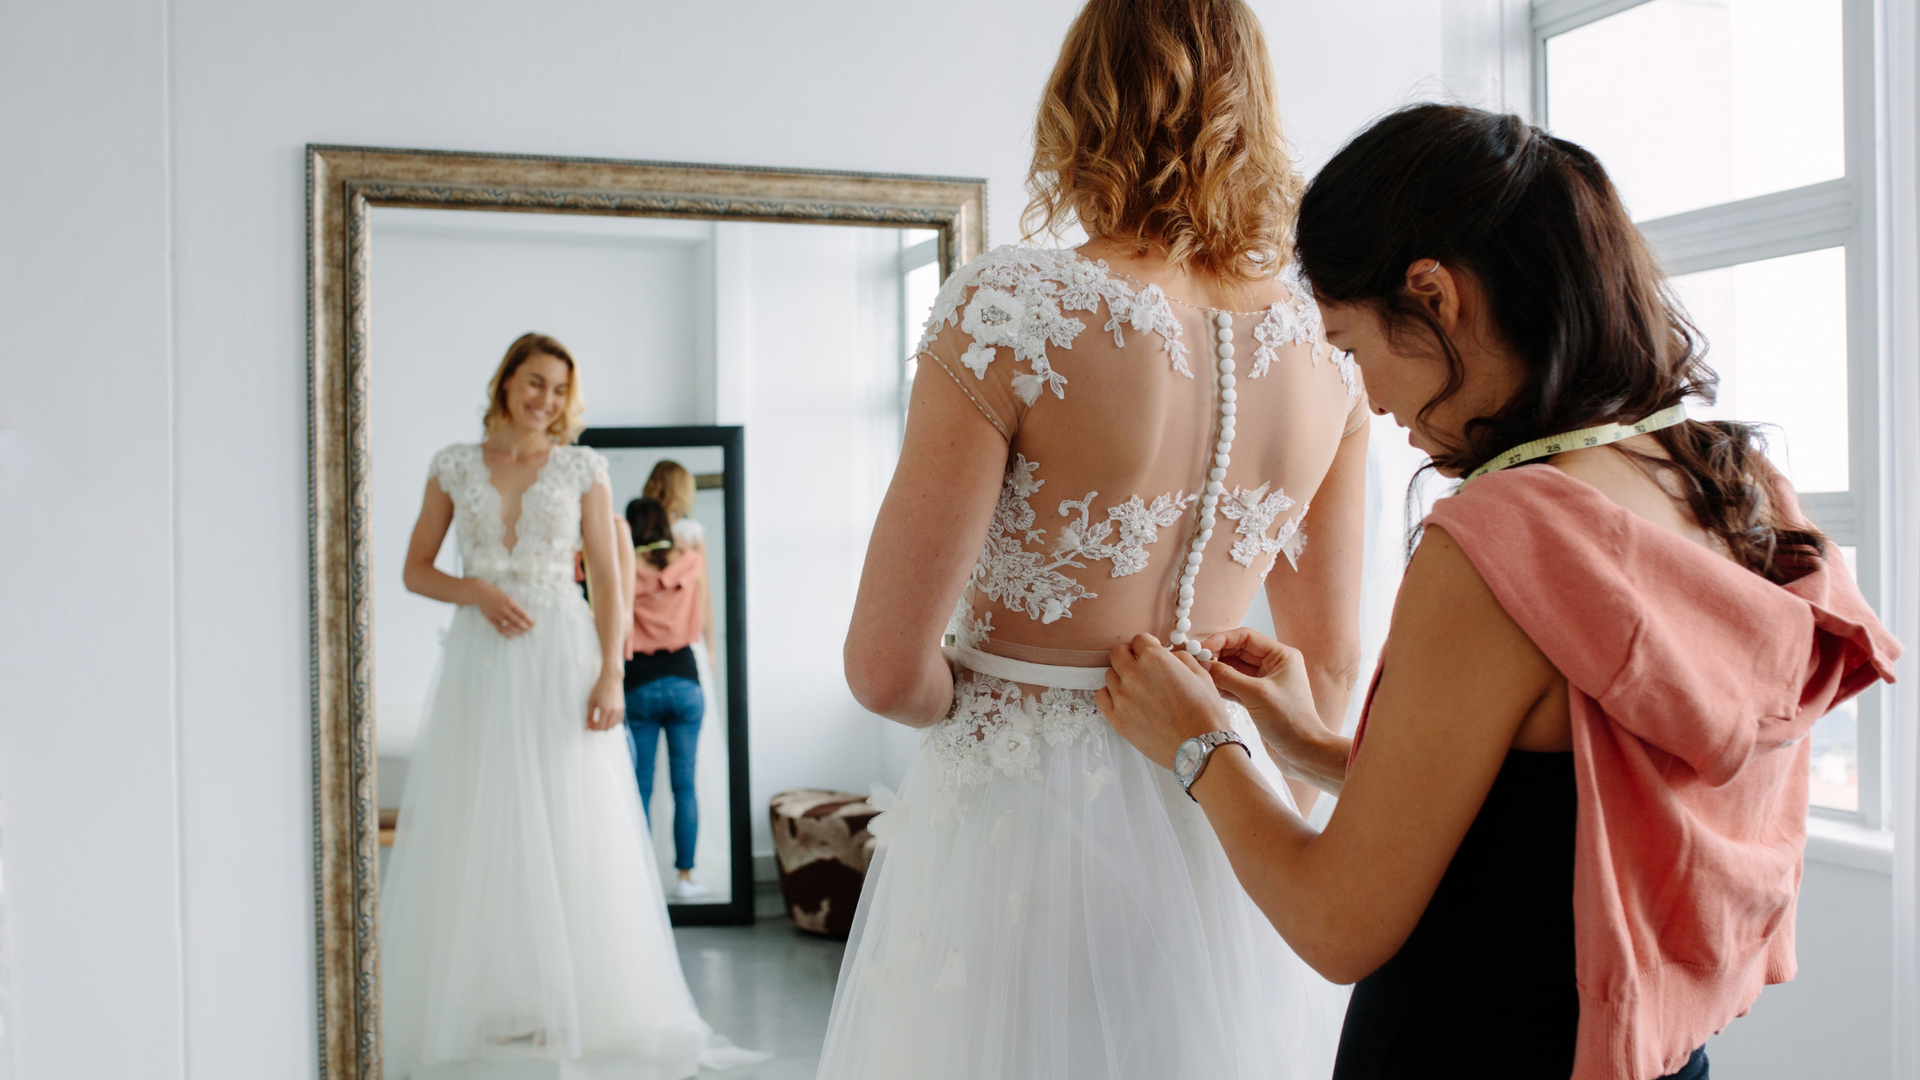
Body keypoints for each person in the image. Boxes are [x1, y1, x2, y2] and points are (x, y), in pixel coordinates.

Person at [1096, 105, 1902, 1080]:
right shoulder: (1732, 487)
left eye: (1353, 349)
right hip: (1649, 1051)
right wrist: (1313, 747)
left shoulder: (1500, 542)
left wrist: (1201, 745)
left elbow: (1337, 925)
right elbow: (1563, 813)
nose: (1370, 398)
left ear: (1434, 295)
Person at [818, 1, 1362, 1075]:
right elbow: (1331, 664)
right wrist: (1250, 832)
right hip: (1228, 800)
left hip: (1020, 824)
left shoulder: (1011, 305)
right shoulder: (1328, 344)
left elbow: (886, 670)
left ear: (1080, 101)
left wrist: (971, 698)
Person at [380, 332, 764, 1079]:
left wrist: (611, 674)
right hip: (481, 660)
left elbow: (612, 580)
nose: (546, 400)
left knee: (567, 814)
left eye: (559, 389)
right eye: (534, 383)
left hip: (562, 654)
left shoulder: (583, 467)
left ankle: (577, 997)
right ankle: (496, 997)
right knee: (483, 816)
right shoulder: (455, 465)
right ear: (505, 382)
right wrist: (479, 591)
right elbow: (415, 570)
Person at [624, 495, 714, 899]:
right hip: (685, 682)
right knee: (685, 786)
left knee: (640, 786)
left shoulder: (624, 568)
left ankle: (639, 877)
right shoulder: (690, 561)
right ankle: (686, 877)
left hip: (638, 684)